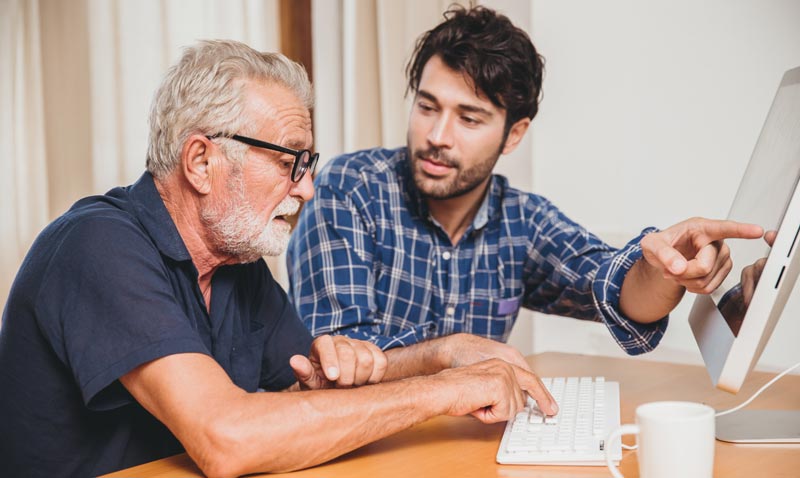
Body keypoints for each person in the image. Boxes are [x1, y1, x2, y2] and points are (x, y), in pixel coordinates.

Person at [0, 40, 558, 478]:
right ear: (201, 161)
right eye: (291, 162)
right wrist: (449, 389)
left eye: (309, 163)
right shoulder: (96, 246)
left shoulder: (236, 266)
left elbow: (322, 386)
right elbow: (227, 437)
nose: (307, 188)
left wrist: (446, 356)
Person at [287, 6, 764, 368]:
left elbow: (613, 288)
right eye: (427, 107)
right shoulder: (347, 189)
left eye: (469, 118)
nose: (436, 136)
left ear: (514, 134)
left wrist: (666, 266)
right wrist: (452, 354)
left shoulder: (522, 220)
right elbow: (337, 358)